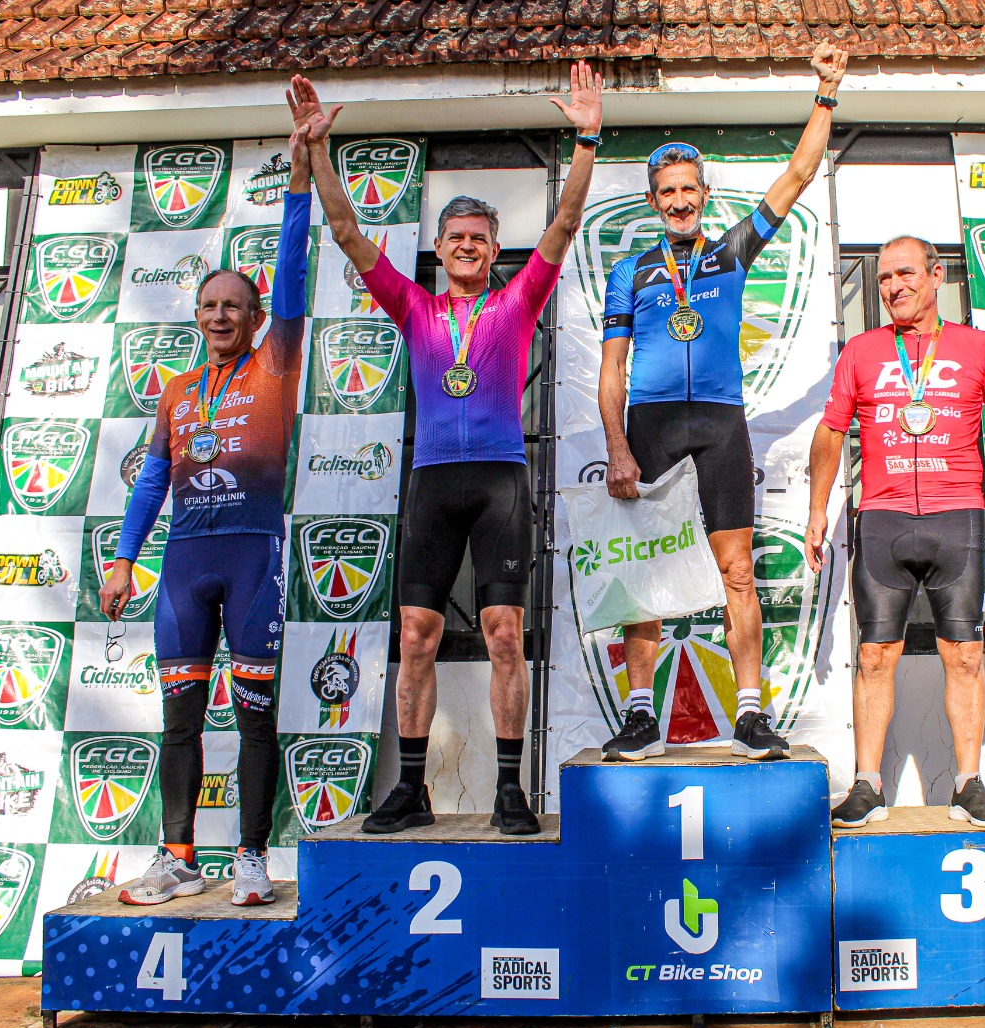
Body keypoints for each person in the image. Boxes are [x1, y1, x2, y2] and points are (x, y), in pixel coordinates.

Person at [287, 64, 602, 835]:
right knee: (417, 637)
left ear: (494, 252)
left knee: (504, 636)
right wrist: (318, 151)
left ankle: (508, 791)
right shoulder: (414, 306)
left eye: (479, 239)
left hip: (499, 482)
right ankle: (411, 790)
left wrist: (588, 139)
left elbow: (563, 225)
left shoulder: (517, 302)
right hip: (432, 481)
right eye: (455, 237)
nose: (467, 246)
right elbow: (347, 233)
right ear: (438, 248)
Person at [597, 44, 849, 763]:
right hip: (650, 426)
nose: (679, 201)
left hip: (719, 424)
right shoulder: (629, 271)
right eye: (666, 192)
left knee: (737, 570)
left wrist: (825, 93)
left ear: (704, 194)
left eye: (689, 189)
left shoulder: (731, 253)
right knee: (645, 575)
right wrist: (616, 446)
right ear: (653, 201)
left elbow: (797, 176)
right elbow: (612, 369)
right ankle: (641, 718)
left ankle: (750, 716)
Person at [102, 110, 316, 906]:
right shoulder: (177, 391)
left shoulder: (277, 364)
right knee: (180, 721)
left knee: (255, 719)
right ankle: (178, 856)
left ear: (257, 320)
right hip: (184, 566)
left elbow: (291, 272)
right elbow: (151, 480)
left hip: (252, 557)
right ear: (196, 317)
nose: (221, 315)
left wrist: (300, 174)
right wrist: (123, 559)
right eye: (208, 306)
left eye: (234, 306)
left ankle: (251, 858)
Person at [806, 236, 985, 828]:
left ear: (937, 276)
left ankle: (968, 784)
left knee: (964, 655)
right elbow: (830, 432)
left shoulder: (976, 346)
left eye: (905, 274)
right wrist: (816, 509)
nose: (893, 287)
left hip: (957, 516)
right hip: (882, 518)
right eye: (884, 278)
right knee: (873, 654)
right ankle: (867, 785)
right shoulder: (861, 350)